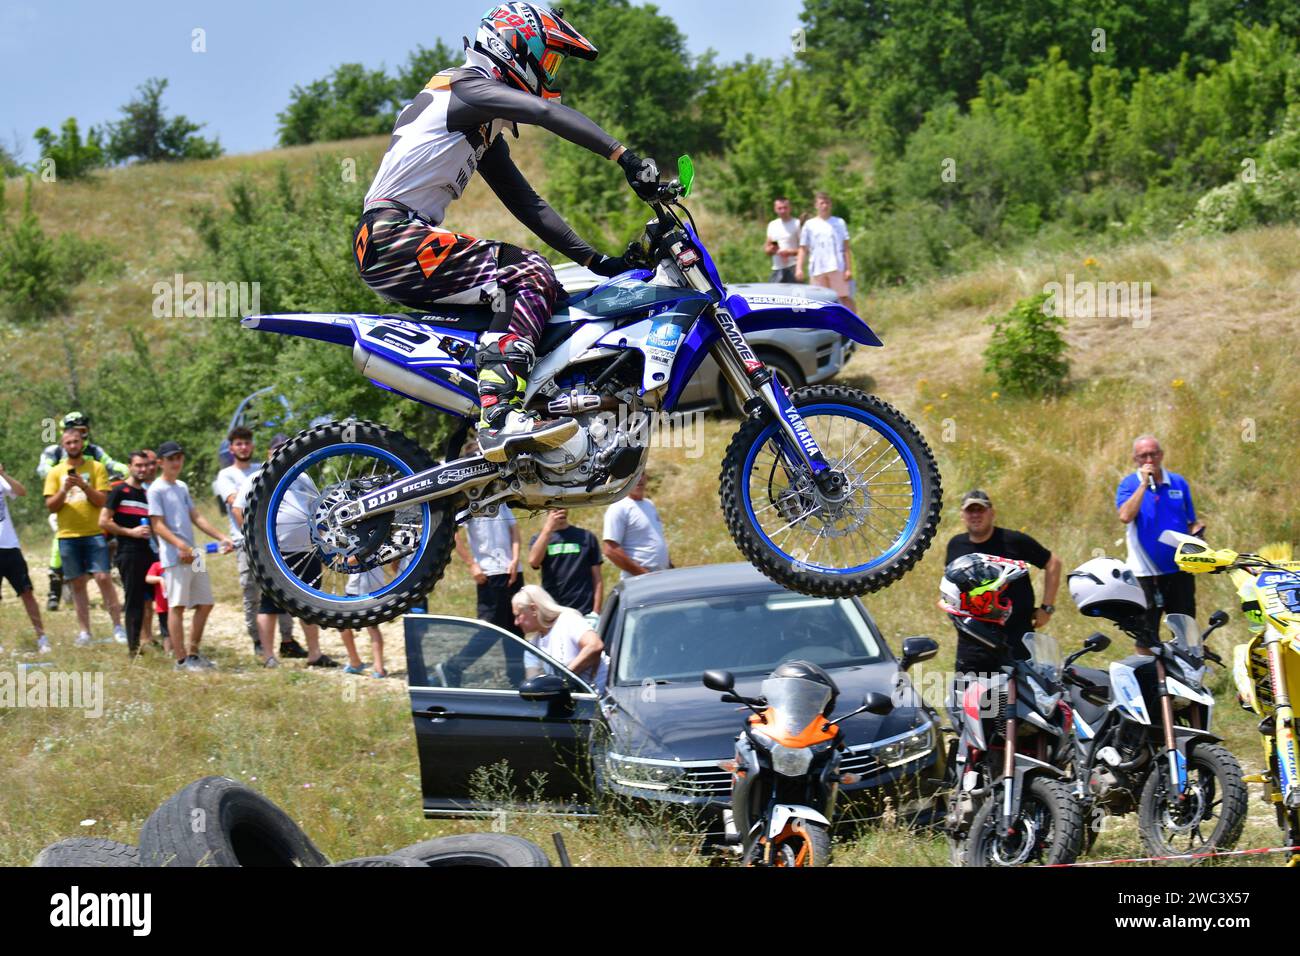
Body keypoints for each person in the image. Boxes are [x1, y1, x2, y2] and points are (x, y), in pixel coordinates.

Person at [353, 2, 661, 463]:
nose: (551, 74)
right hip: (395, 237)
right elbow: (544, 112)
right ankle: (498, 415)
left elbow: (526, 203)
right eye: (549, 60)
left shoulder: (475, 117)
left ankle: (497, 410)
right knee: (530, 273)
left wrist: (598, 262)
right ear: (516, 47)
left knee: (545, 284)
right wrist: (625, 157)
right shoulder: (468, 88)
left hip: (390, 241)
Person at [231, 436, 337, 668]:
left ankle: (315, 655)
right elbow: (237, 509)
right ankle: (269, 657)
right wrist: (253, 537)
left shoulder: (304, 477)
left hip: (307, 551)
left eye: (286, 449)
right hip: (275, 553)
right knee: (270, 604)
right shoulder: (258, 477)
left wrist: (324, 542)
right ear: (269, 453)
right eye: (277, 450)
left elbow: (316, 510)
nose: (281, 453)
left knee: (310, 603)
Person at [944, 489, 1062, 669]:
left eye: (980, 510)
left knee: (1020, 692)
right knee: (972, 692)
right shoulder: (956, 545)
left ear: (992, 513)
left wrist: (1047, 608)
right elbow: (950, 584)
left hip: (1015, 633)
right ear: (962, 515)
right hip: (973, 638)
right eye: (970, 510)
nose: (975, 515)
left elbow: (1053, 563)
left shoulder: (1014, 541)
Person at [214, 427, 304, 658]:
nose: (243, 447)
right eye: (238, 443)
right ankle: (258, 641)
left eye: (247, 443)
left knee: (281, 590)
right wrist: (253, 535)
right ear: (231, 448)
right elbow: (237, 503)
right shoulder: (227, 475)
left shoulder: (262, 469)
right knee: (251, 592)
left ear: (253, 446)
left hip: (275, 543)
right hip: (246, 542)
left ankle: (287, 639)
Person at [146, 441, 233, 671]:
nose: (176, 462)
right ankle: (181, 660)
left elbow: (196, 517)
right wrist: (179, 546)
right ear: (160, 463)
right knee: (177, 606)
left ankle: (193, 654)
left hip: (193, 555)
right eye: (171, 458)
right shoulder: (155, 489)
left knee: (205, 603)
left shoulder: (181, 487)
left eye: (179, 457)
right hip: (174, 557)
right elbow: (158, 525)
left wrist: (222, 536)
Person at [42, 428, 126, 646]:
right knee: (78, 583)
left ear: (83, 443)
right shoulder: (55, 472)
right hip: (67, 535)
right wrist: (63, 490)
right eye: (68, 443)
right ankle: (85, 632)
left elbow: (102, 501)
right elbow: (51, 506)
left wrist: (84, 485)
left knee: (103, 578)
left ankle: (118, 627)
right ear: (63, 446)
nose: (72, 446)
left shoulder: (96, 467)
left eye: (76, 442)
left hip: (94, 533)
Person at [1116, 434, 1204, 633]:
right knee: (1146, 633)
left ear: (1161, 455)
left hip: (1179, 569)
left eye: (1153, 454)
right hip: (1145, 572)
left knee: (1185, 629)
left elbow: (1191, 522)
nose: (1149, 460)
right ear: (1135, 459)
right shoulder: (1128, 485)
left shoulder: (1178, 483)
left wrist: (1199, 535)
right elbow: (1125, 516)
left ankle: (1182, 664)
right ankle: (1152, 664)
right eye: (1143, 456)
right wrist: (1143, 485)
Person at [444, 505, 525, 686]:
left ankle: (517, 678)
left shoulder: (501, 502)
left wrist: (515, 559)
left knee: (516, 627)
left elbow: (514, 529)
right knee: (491, 629)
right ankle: (454, 666)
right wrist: (471, 564)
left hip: (513, 571)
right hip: (489, 572)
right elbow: (453, 533)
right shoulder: (470, 503)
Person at [98, 451, 157, 656]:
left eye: (145, 465)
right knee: (134, 600)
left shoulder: (147, 494)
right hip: (127, 551)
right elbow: (103, 521)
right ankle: (134, 649)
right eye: (138, 465)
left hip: (148, 551)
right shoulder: (119, 491)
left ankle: (158, 640)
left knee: (156, 597)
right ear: (129, 466)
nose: (142, 469)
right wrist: (129, 532)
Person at [512, 583, 606, 691]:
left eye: (518, 615)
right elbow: (535, 687)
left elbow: (595, 645)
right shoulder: (532, 648)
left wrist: (564, 678)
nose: (516, 622)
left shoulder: (567, 620)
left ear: (534, 609)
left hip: (606, 696)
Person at [0, 462, 51, 653]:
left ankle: (42, 638)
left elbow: (21, 492)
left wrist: (4, 474)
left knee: (26, 592)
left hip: (10, 546)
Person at [528, 507, 603, 615]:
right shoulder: (539, 538)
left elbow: (598, 579)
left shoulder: (587, 537)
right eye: (555, 507)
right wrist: (548, 529)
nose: (559, 510)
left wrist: (596, 612)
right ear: (547, 510)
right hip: (554, 610)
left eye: (562, 506)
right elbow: (533, 561)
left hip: (583, 610)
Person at [602, 472, 669, 579]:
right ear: (624, 480)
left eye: (642, 474)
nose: (639, 479)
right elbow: (610, 550)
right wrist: (644, 574)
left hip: (661, 577)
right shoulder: (619, 507)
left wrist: (670, 567)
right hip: (639, 580)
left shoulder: (649, 505)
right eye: (633, 475)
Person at [795, 192, 854, 311]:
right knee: (819, 300)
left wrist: (848, 269)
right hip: (817, 268)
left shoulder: (839, 222)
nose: (825, 206)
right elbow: (803, 248)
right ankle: (826, 328)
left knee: (844, 297)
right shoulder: (809, 224)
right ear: (816, 205)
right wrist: (799, 268)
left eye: (827, 202)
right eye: (822, 203)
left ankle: (855, 326)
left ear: (831, 204)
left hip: (837, 266)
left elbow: (846, 247)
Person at [764, 197, 800, 283]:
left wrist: (789, 252)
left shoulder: (797, 224)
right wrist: (771, 249)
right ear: (775, 209)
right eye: (780, 208)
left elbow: (804, 249)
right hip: (777, 269)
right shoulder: (772, 225)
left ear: (790, 208)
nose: (783, 211)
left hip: (793, 268)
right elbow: (767, 248)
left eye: (785, 208)